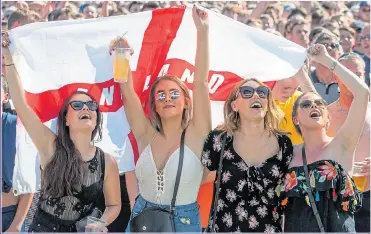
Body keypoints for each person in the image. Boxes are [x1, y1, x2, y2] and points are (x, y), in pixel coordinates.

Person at [2, 32, 121, 232]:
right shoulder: (49, 146)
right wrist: (7, 55)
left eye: (91, 105)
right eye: (77, 104)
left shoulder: (107, 162)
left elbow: (114, 205)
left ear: (97, 117)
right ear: (65, 118)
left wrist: (100, 223)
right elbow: (22, 106)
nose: (85, 108)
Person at [113, 6, 211, 232]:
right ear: (154, 105)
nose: (168, 98)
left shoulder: (197, 133)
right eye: (161, 95)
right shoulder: (145, 134)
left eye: (175, 94)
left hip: (183, 224)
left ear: (186, 101)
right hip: (142, 220)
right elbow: (126, 92)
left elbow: (201, 83)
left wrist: (202, 31)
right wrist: (120, 55)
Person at [281, 44, 369, 232]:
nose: (314, 106)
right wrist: (300, 72)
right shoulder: (287, 153)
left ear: (328, 116)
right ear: (295, 118)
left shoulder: (342, 145)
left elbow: (362, 93)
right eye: (306, 105)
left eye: (320, 104)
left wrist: (327, 60)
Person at [202, 78, 293, 232]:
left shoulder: (284, 143)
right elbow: (197, 177)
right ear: (234, 105)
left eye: (262, 92)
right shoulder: (218, 139)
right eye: (247, 92)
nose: (256, 96)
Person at [327, 52, 370, 233]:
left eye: (358, 75)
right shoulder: (325, 114)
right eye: (348, 74)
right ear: (337, 77)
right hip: (335, 196)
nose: (353, 80)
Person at [2, 76, 34, 232]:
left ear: (5, 97)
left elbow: (29, 180)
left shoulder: (17, 127)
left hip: (9, 215)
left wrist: (16, 225)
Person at [310, 31, 342, 104]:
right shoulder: (306, 78)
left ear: (339, 53)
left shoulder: (345, 80)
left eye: (334, 46)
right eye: (324, 45)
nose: (329, 48)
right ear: (315, 52)